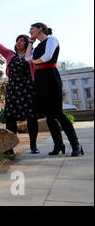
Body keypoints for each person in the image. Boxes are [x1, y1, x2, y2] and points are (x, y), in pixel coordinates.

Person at [0, 22, 39, 154]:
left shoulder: (32, 55)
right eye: (17, 40)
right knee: (11, 118)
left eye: (22, 40)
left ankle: (33, 145)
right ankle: (9, 147)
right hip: (13, 89)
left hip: (28, 89)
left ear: (27, 44)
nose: (19, 42)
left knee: (31, 117)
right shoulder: (10, 54)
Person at [26, 22, 84, 156]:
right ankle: (58, 144)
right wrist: (30, 42)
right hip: (40, 79)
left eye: (32, 29)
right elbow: (28, 57)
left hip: (51, 76)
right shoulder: (38, 45)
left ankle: (76, 144)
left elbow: (47, 57)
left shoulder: (52, 39)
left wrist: (33, 61)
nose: (30, 31)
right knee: (49, 116)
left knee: (58, 113)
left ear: (40, 29)